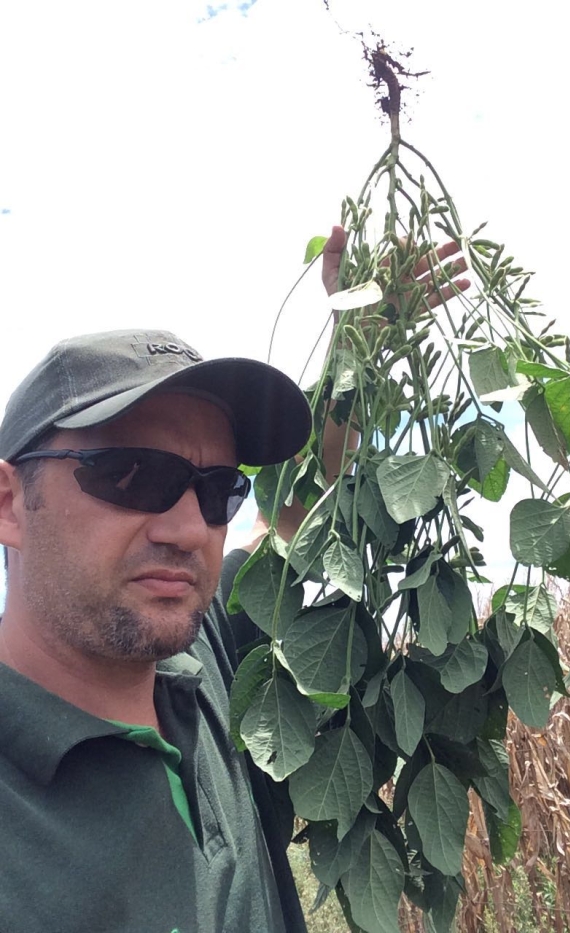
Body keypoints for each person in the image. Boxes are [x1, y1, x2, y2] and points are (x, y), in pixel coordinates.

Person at [0, 229, 468, 933]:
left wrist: (361, 343)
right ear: (9, 504)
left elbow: (298, 513)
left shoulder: (201, 656)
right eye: (134, 474)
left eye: (218, 489)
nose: (188, 527)